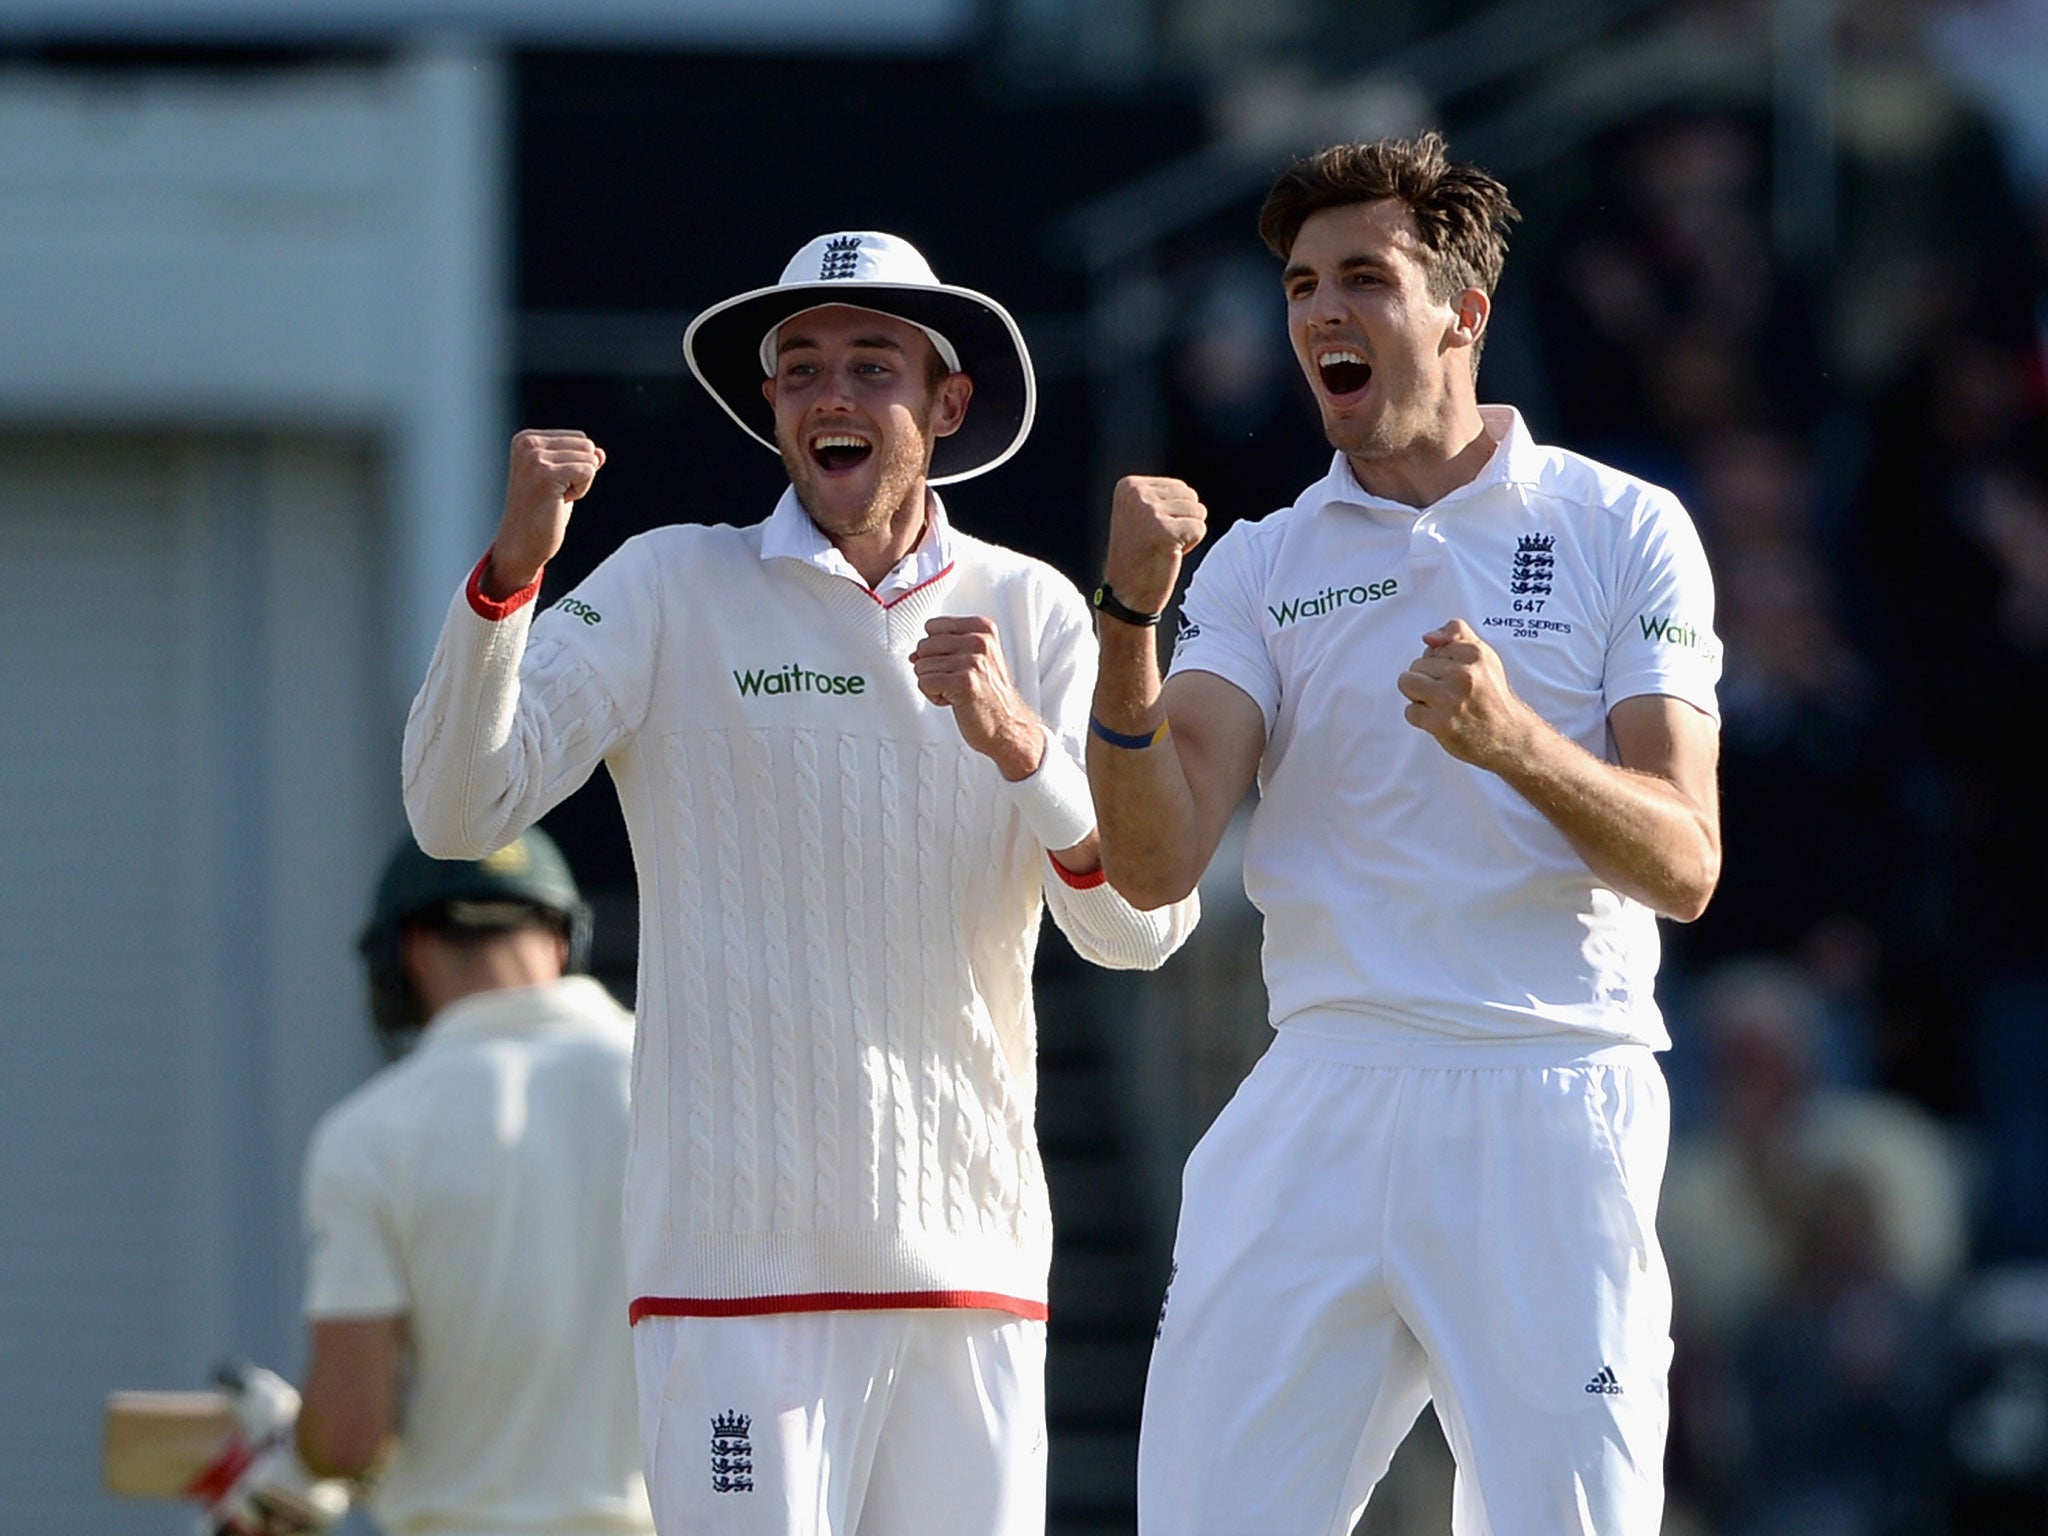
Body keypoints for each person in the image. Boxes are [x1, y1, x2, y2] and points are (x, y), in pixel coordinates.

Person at [401, 230, 1197, 1536]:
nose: (833, 395)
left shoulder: (1040, 611)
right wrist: (510, 575)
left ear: (947, 404)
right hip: (732, 1281)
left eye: (873, 365)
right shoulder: (668, 582)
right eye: (803, 367)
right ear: (769, 404)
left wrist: (1024, 753)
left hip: (970, 1271)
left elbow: (1143, 930)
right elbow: (453, 809)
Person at [1086, 134, 1723, 1535]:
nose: (1320, 312)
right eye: (1303, 283)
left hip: (1552, 1085)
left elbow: (1687, 863)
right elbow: (1152, 861)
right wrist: (1127, 628)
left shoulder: (1627, 527)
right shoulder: (1257, 561)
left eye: (1365, 277)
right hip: (1318, 1083)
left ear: (1464, 313)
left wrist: (1515, 747)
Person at [291, 827, 652, 1536]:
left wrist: (287, 1441)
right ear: (560, 941)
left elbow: (345, 1441)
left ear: (409, 953)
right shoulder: (680, 1083)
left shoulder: (369, 1132)